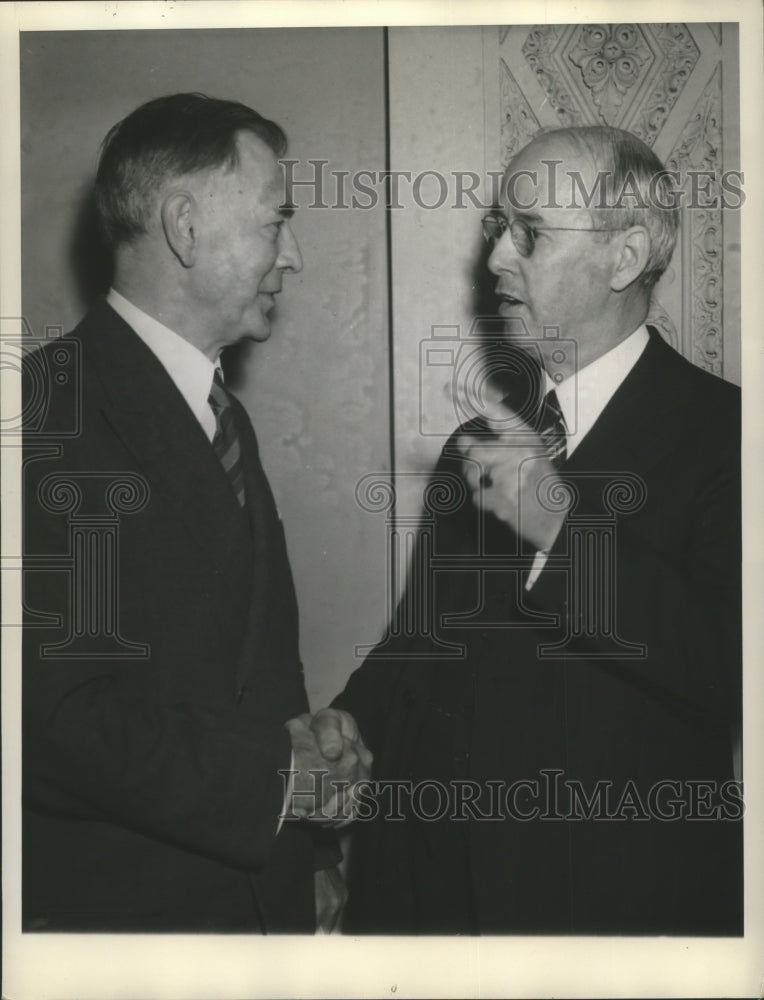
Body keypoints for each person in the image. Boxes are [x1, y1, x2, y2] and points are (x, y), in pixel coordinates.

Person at [317, 125, 743, 934]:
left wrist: (560, 530)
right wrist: (336, 732)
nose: (495, 262)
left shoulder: (729, 437)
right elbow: (421, 644)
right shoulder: (475, 444)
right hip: (429, 896)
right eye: (497, 231)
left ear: (625, 256)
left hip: (606, 908)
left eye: (530, 235)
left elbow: (729, 663)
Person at [22, 93, 370, 933]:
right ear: (184, 227)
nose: (293, 255)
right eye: (274, 221)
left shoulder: (219, 413)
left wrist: (308, 851)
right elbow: (47, 715)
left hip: (252, 898)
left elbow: (254, 665)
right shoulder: (41, 410)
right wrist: (281, 785)